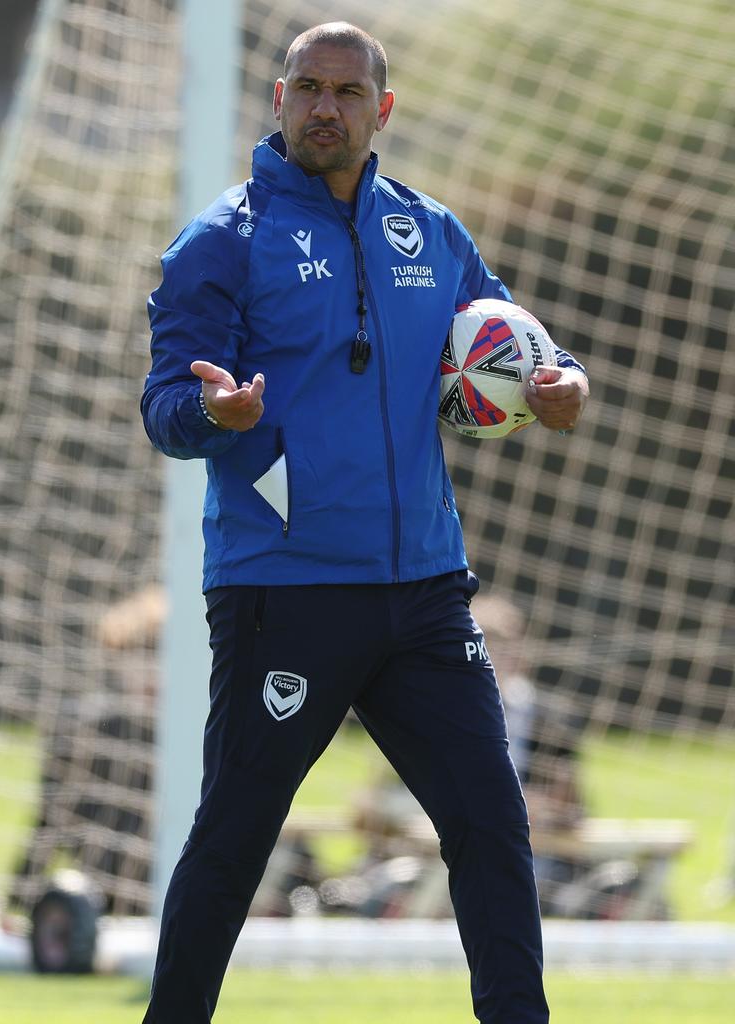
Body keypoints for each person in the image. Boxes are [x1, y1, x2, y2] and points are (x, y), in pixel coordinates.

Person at [140, 21, 589, 1023]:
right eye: (308, 87)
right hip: (283, 591)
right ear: (279, 98)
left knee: (490, 821)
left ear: (381, 109)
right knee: (235, 837)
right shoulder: (222, 241)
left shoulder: (429, 230)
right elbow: (165, 410)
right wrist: (214, 413)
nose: (325, 107)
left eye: (346, 92)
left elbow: (525, 344)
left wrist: (564, 384)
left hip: (427, 592)